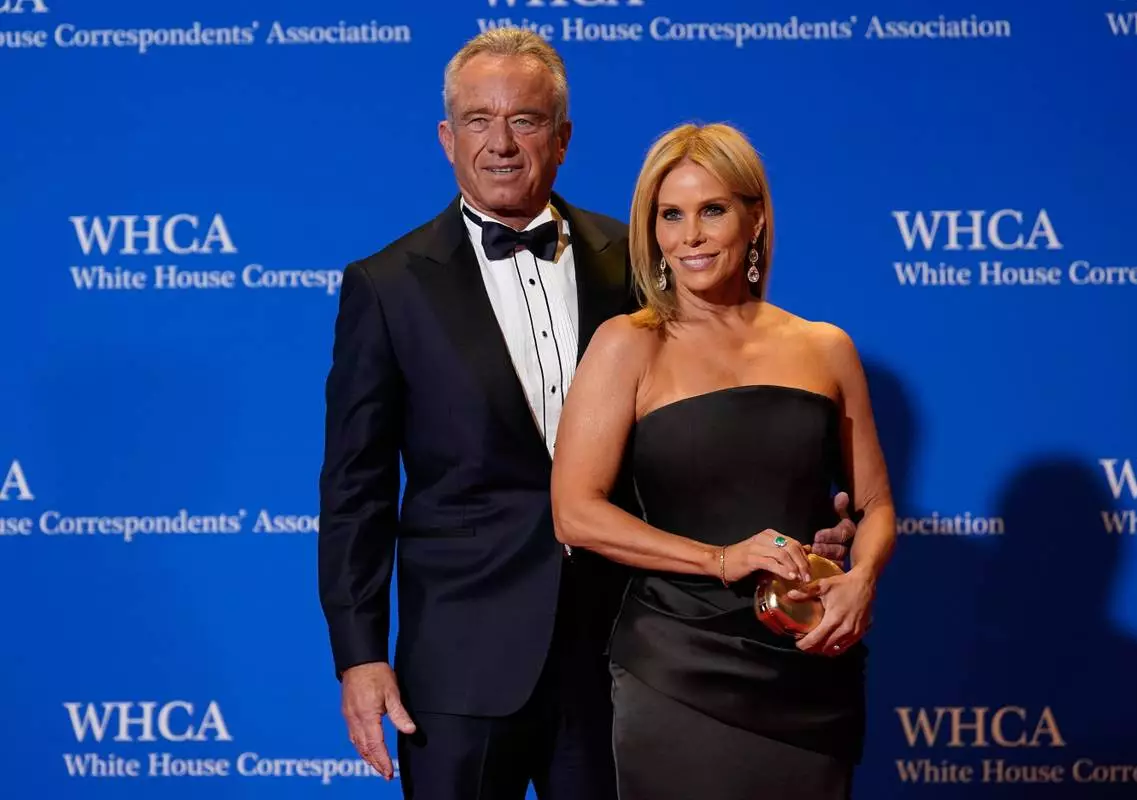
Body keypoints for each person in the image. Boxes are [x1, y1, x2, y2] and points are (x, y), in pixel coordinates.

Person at [318, 29, 859, 800]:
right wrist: (359, 655)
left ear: (563, 138)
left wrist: (816, 525)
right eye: (478, 120)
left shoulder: (640, 260)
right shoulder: (387, 285)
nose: (501, 144)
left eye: (526, 120)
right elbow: (354, 490)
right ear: (446, 138)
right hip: (462, 664)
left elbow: (714, 427)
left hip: (627, 650)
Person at [551, 122, 896, 799]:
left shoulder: (826, 348)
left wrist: (863, 579)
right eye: (670, 215)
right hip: (676, 662)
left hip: (808, 659)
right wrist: (717, 559)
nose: (691, 236)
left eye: (712, 210)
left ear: (755, 218)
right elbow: (574, 514)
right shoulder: (627, 345)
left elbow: (876, 505)